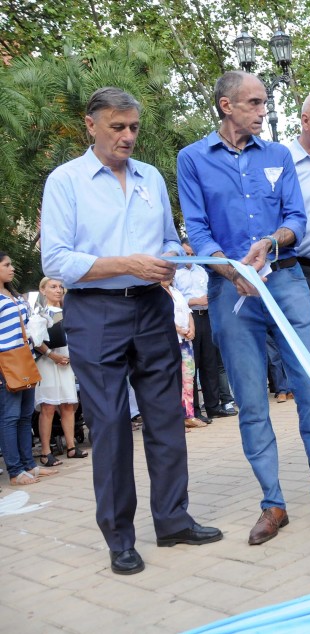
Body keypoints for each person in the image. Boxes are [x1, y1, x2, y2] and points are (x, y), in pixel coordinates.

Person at [178, 71, 310, 544]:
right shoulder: (192, 159)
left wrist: (269, 241)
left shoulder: (279, 155)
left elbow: (295, 220)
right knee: (251, 402)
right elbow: (197, 232)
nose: (264, 110)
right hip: (230, 295)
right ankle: (273, 503)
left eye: (265, 102)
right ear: (226, 105)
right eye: (256, 102)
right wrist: (231, 272)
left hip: (287, 282)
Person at [41, 87, 221, 575]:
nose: (127, 136)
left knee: (166, 417)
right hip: (95, 313)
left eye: (134, 127)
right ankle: (120, 538)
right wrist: (127, 263)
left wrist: (166, 262)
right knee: (112, 425)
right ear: (91, 125)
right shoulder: (66, 182)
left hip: (151, 308)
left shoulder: (151, 179)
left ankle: (173, 520)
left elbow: (165, 238)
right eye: (117, 127)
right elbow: (55, 260)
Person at [1, 253, 58, 486]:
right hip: (6, 364)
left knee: (25, 416)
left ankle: (29, 465)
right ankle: (14, 471)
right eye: (7, 265)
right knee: (10, 417)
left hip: (26, 359)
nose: (12, 268)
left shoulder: (13, 295)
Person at [28, 277, 86, 465]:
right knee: (48, 407)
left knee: (69, 405)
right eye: (53, 286)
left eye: (61, 286)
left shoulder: (69, 311)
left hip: (67, 361)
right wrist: (52, 355)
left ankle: (71, 447)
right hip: (48, 362)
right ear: (43, 290)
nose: (58, 290)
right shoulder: (39, 312)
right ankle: (46, 452)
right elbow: (36, 341)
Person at [174, 239, 232, 421]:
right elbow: (174, 298)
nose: (189, 257)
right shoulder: (175, 274)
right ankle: (195, 410)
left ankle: (213, 406)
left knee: (210, 363)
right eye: (186, 254)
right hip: (189, 321)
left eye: (192, 254)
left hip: (207, 317)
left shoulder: (202, 271)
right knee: (192, 366)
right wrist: (195, 301)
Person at [161, 279, 205, 430]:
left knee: (188, 378)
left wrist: (192, 329)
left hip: (186, 341)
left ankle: (188, 415)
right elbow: (162, 317)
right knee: (173, 380)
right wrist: (180, 329)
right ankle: (175, 419)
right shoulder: (156, 293)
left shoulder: (176, 291)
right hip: (170, 340)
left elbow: (188, 312)